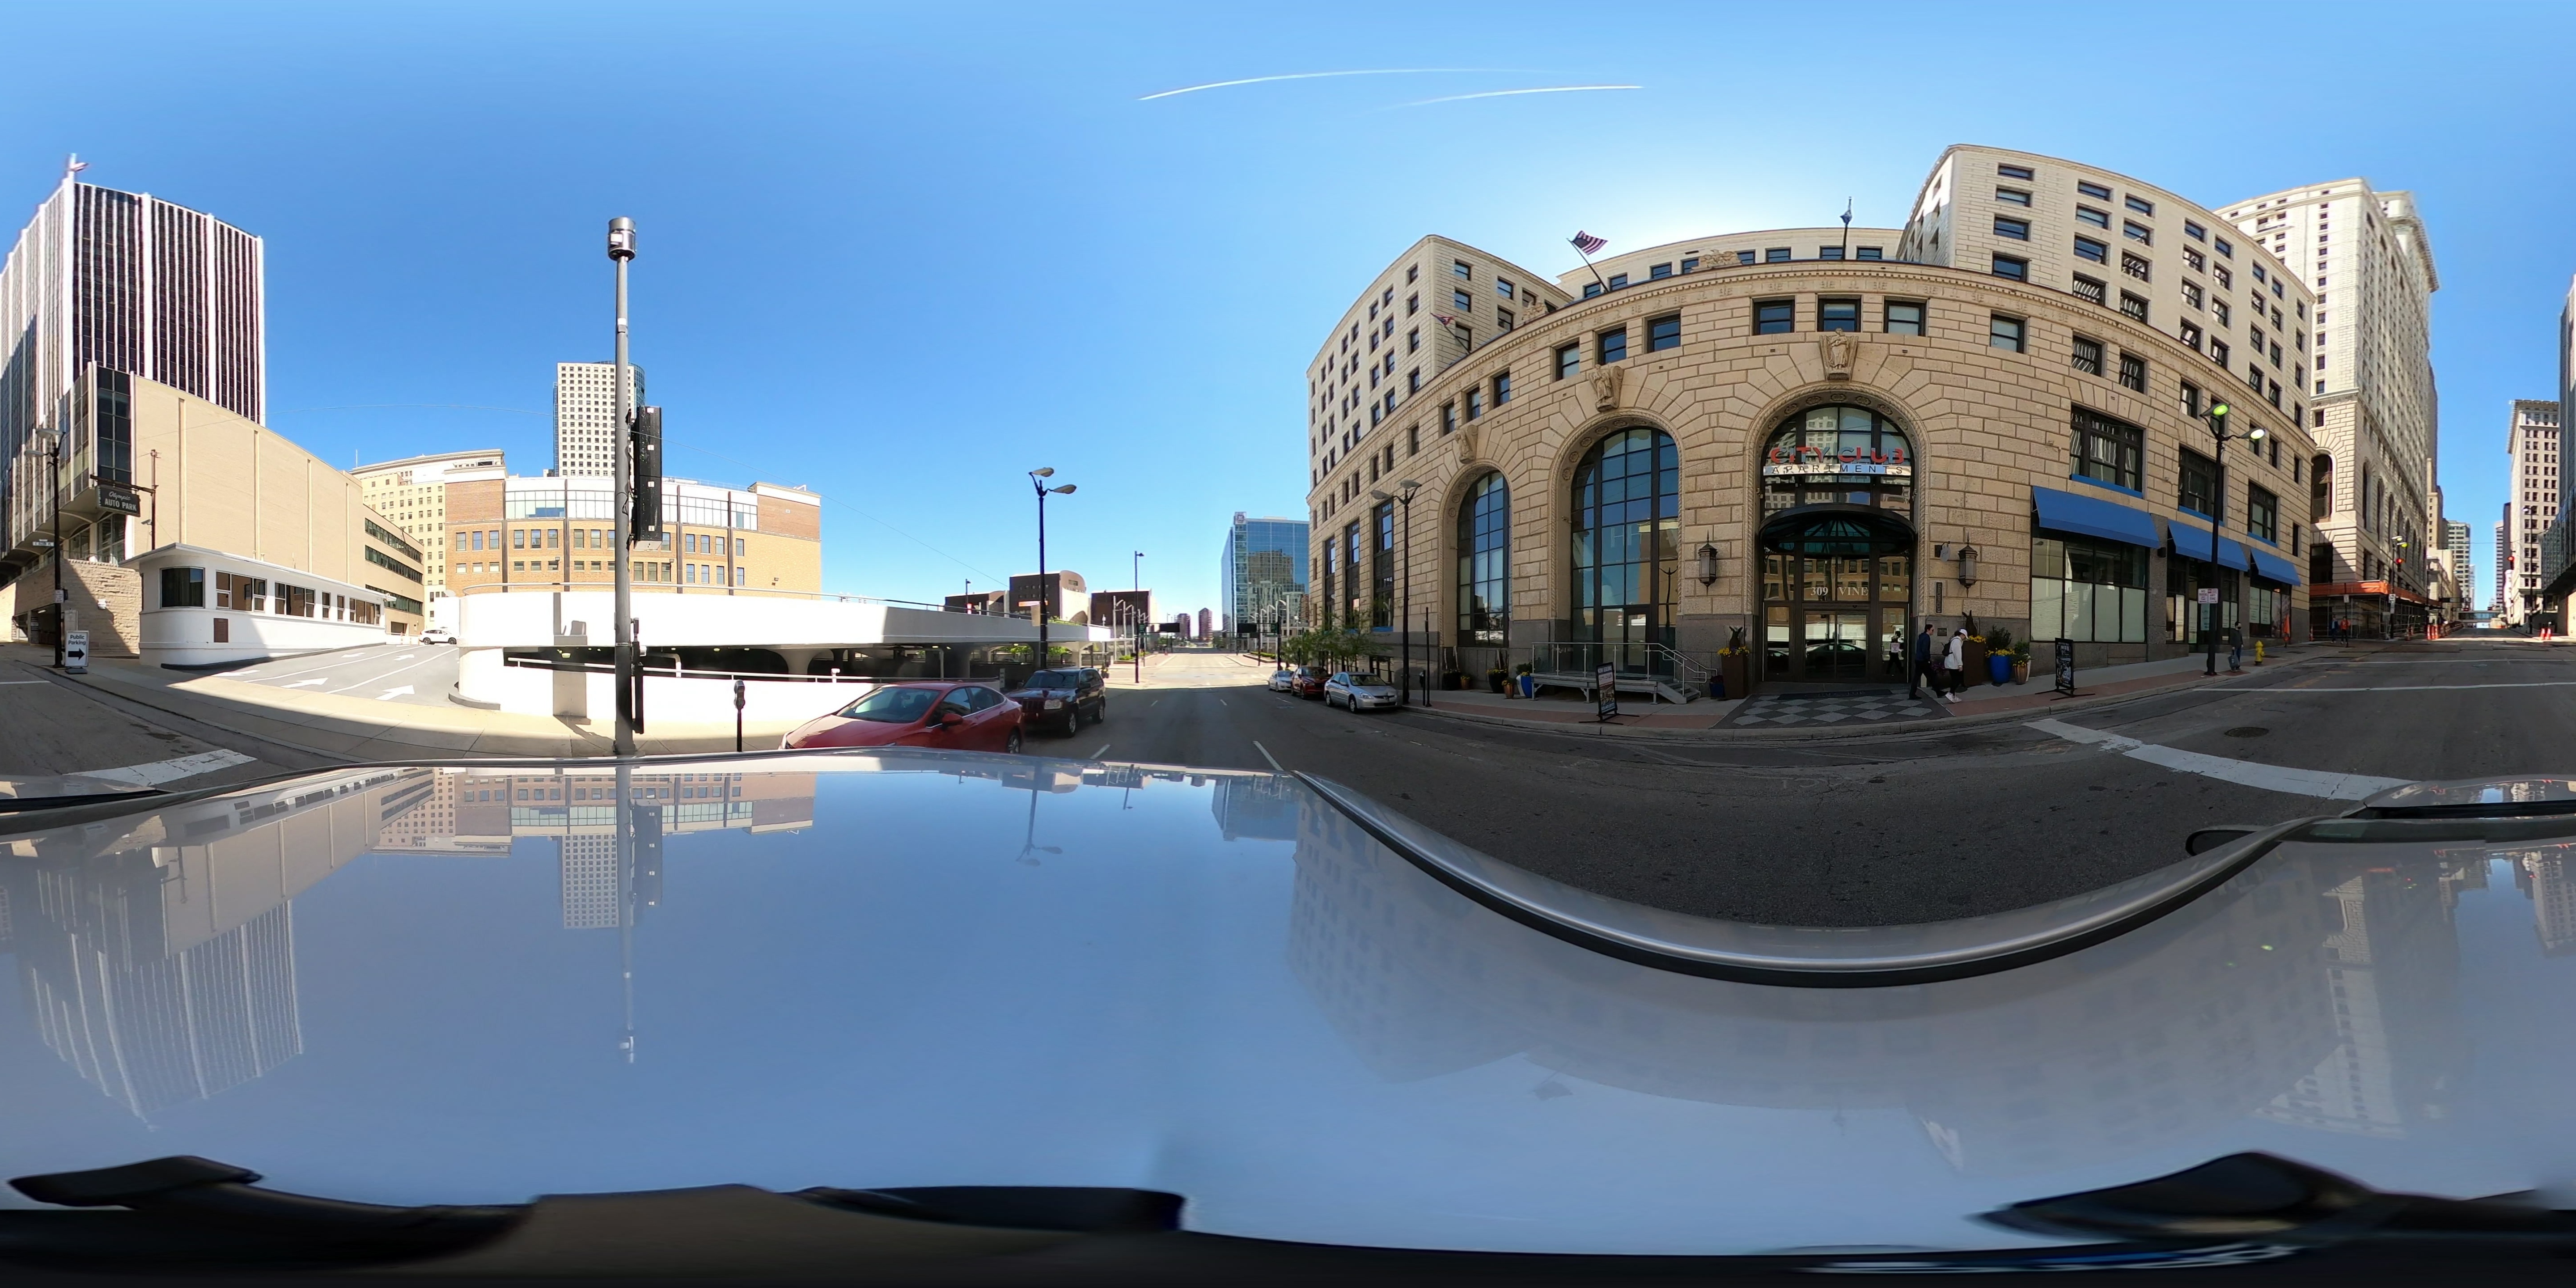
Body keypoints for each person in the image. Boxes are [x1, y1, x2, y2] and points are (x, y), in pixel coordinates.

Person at [1941, 627, 1968, 703]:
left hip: (1951, 662)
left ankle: (1953, 695)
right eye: (1965, 637)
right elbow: (1958, 653)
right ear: (1962, 635)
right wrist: (1960, 665)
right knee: (1958, 679)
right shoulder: (1957, 641)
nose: (1965, 638)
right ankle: (1951, 693)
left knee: (1955, 679)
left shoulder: (1954, 640)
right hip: (1953, 663)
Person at [1912, 619, 1935, 699]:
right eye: (1932, 630)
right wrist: (1928, 659)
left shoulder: (1922, 637)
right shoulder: (1926, 638)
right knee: (1932, 676)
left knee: (1917, 678)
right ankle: (1938, 691)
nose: (1933, 632)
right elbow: (1925, 649)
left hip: (1919, 659)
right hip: (1923, 660)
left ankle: (1912, 694)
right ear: (1928, 630)